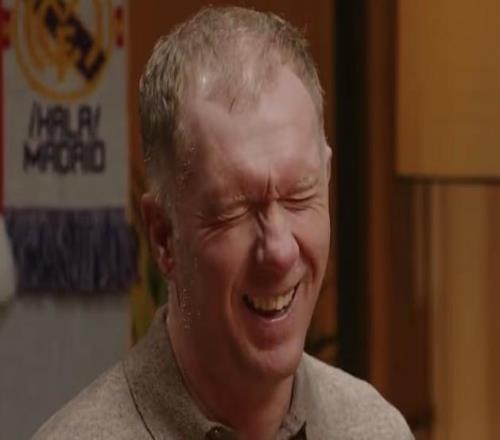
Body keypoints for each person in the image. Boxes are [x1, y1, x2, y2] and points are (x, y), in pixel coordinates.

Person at [34, 6, 413, 439]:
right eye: (234, 210)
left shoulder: (375, 428)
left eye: (299, 195)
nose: (280, 251)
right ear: (163, 236)